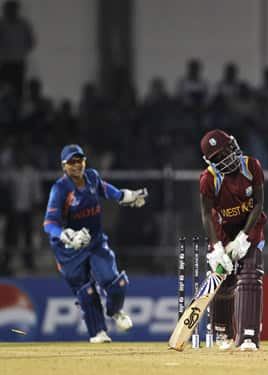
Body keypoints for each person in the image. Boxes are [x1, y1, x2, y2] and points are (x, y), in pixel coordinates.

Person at [42, 144, 148, 343]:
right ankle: (98, 332)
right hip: (69, 250)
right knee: (85, 291)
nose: (77, 165)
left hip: (95, 241)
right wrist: (67, 235)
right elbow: (49, 224)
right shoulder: (60, 188)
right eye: (71, 162)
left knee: (115, 281)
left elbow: (110, 191)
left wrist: (129, 196)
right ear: (64, 166)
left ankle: (115, 311)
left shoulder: (92, 177)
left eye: (80, 160)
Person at [199, 129, 267, 351]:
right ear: (212, 161)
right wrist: (217, 248)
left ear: (234, 144)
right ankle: (222, 333)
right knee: (224, 281)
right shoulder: (208, 179)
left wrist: (244, 237)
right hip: (223, 234)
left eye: (228, 149)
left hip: (251, 229)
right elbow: (207, 215)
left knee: (249, 274)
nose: (227, 156)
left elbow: (258, 204)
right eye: (219, 156)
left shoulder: (252, 166)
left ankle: (248, 335)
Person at [0, 0, 35, 109]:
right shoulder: (1, 25)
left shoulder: (24, 25)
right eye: (7, 9)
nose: (8, 12)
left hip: (19, 62)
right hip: (5, 62)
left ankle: (16, 114)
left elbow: (31, 42)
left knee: (18, 91)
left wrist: (21, 51)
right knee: (4, 92)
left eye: (11, 9)